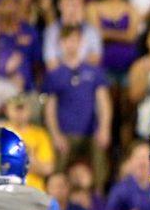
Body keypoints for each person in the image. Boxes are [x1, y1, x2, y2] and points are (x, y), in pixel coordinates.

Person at [43, 26, 112, 184]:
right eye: (67, 40)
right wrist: (55, 135)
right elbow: (50, 108)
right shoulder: (54, 74)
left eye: (75, 40)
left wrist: (104, 128)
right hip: (65, 132)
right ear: (60, 44)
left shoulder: (94, 72)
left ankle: (98, 198)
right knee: (57, 168)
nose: (71, 44)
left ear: (81, 43)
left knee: (100, 163)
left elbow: (104, 103)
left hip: (91, 132)